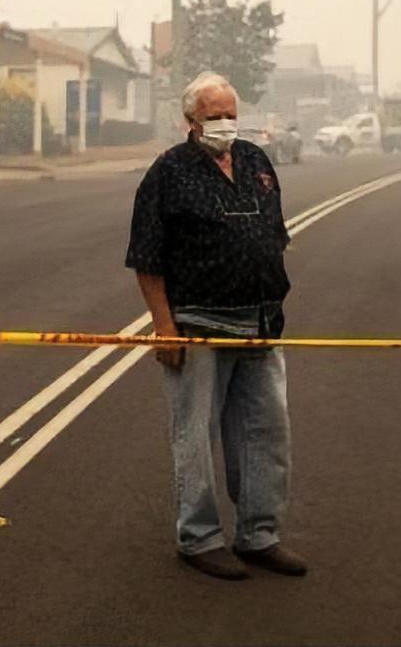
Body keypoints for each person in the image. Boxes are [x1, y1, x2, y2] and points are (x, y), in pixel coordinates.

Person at [125, 71, 307, 581]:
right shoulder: (169, 173)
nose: (226, 124)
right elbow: (146, 256)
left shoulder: (255, 161)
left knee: (266, 431)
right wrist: (165, 326)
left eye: (231, 114)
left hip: (263, 322)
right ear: (190, 121)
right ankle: (199, 538)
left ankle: (259, 534)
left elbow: (273, 230)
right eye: (214, 117)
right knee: (196, 434)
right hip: (200, 323)